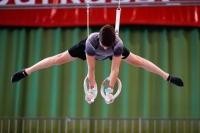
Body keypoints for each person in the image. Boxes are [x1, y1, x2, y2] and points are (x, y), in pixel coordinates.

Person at [11, 24, 184, 103]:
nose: (105, 48)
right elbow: (91, 68)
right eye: (104, 45)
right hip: (88, 50)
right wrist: (92, 88)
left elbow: (114, 69)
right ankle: (27, 71)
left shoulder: (118, 45)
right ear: (99, 39)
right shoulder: (91, 43)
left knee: (138, 61)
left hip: (112, 53)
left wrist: (110, 90)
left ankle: (167, 76)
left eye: (107, 46)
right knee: (58, 58)